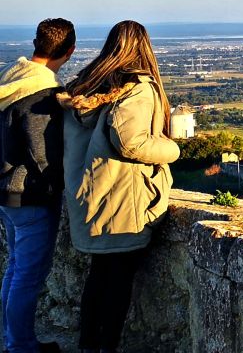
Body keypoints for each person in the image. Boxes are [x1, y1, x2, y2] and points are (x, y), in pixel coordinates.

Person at [59, 21, 179, 353]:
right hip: (121, 200)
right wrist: (172, 149)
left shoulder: (85, 84)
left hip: (88, 195)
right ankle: (106, 346)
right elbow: (129, 142)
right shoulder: (138, 88)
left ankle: (87, 345)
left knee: (99, 276)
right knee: (118, 282)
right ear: (144, 47)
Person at [0, 18, 76, 353]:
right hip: (29, 194)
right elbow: (43, 155)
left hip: (5, 189)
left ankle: (13, 339)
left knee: (15, 269)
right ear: (70, 51)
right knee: (27, 277)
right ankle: (21, 347)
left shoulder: (9, 77)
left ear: (36, 42)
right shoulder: (42, 95)